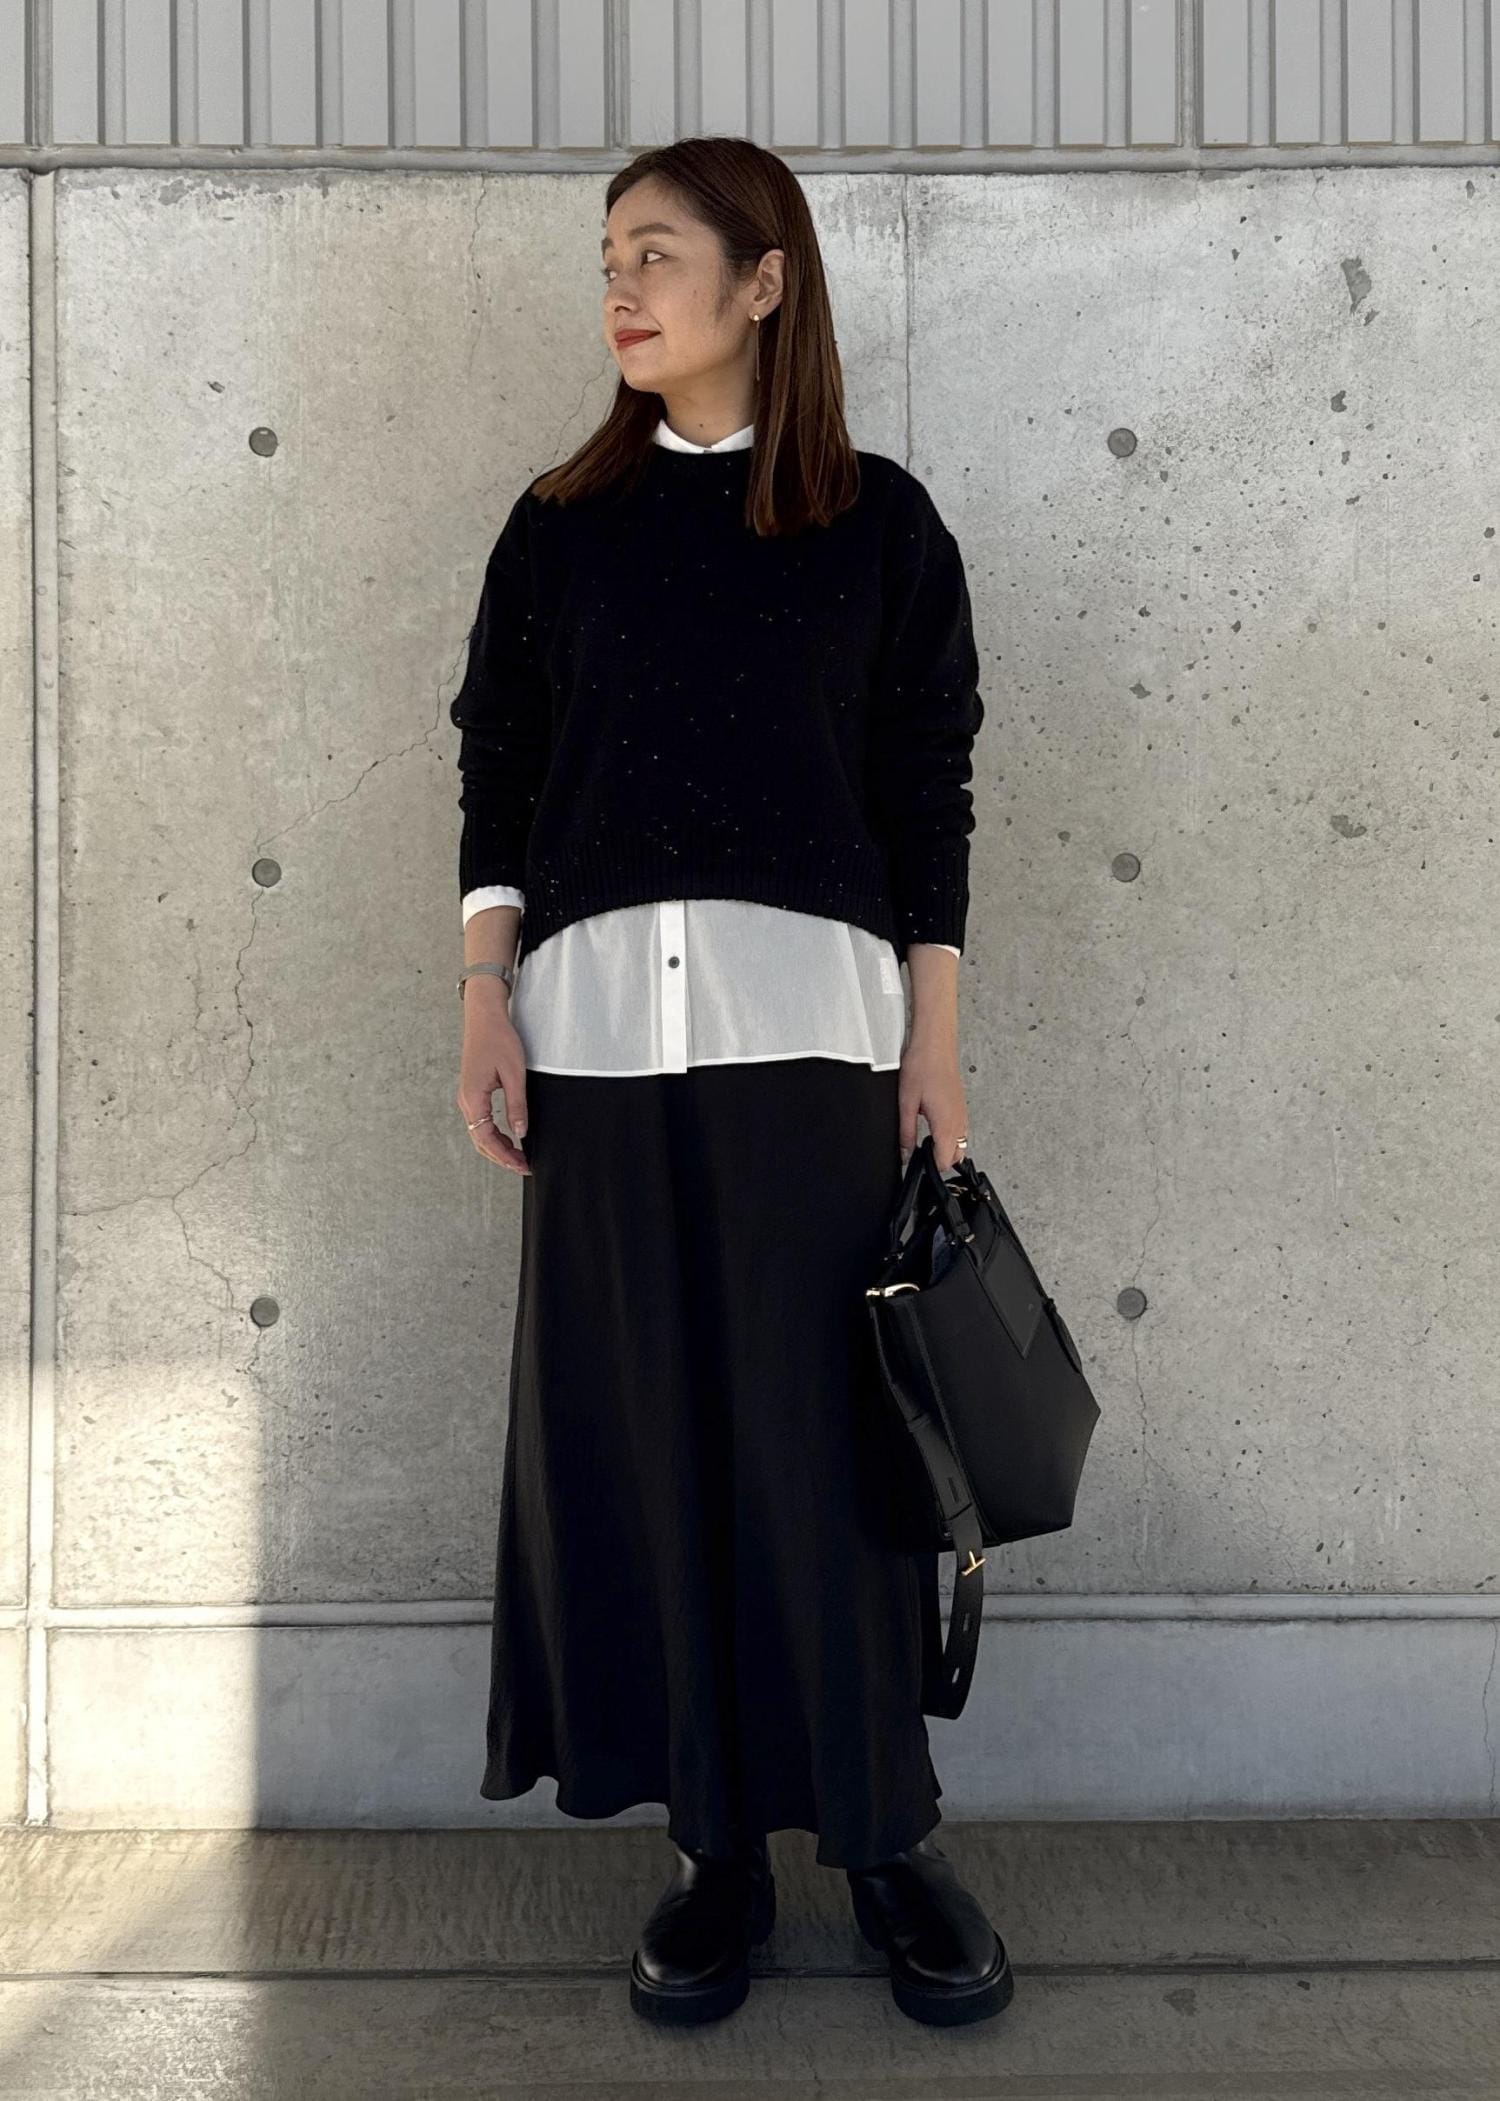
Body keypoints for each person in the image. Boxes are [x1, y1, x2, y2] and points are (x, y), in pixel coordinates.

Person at [449, 134, 1012, 2032]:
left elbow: (926, 789)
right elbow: (500, 766)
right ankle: (713, 1852)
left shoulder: (881, 527)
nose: (620, 289)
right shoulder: (560, 527)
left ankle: (884, 1836)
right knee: (652, 1439)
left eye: (658, 255)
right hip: (600, 1048)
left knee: (828, 1455)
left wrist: (936, 1042)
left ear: (764, 282)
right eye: (608, 258)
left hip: (816, 1046)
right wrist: (484, 994)